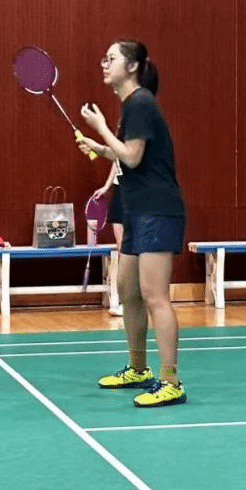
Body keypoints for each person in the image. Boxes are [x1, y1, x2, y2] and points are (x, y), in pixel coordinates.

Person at [78, 39, 187, 408]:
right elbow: (126, 156)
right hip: (137, 211)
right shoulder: (132, 107)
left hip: (158, 209)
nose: (104, 63)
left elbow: (134, 157)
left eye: (111, 58)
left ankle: (171, 381)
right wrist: (100, 147)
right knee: (128, 291)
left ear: (133, 66)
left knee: (156, 296)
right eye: (104, 58)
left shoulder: (140, 103)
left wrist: (101, 128)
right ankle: (138, 368)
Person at [90, 67, 160, 319]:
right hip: (121, 190)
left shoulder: (145, 117)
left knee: (137, 249)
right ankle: (123, 300)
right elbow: (119, 157)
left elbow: (133, 157)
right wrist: (107, 185)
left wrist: (101, 131)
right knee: (123, 248)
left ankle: (143, 298)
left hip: (139, 192)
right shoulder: (127, 118)